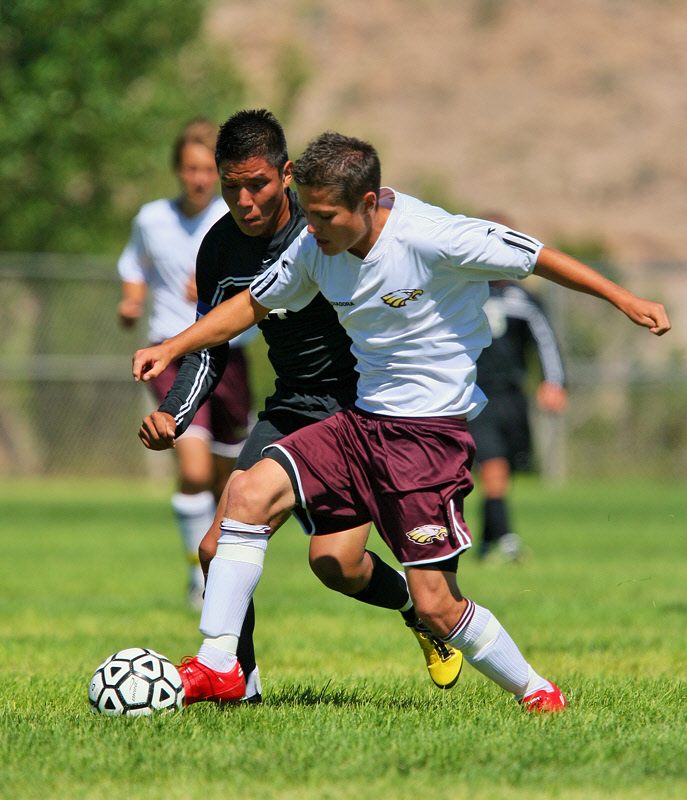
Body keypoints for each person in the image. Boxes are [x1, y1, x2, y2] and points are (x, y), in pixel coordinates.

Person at [132, 131, 670, 713]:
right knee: (247, 490)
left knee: (437, 605)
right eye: (308, 215)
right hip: (358, 423)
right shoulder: (314, 245)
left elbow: (536, 256)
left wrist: (625, 299)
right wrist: (172, 346)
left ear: (367, 204)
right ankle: (220, 668)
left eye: (325, 217)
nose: (311, 230)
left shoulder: (433, 235)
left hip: (426, 439)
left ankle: (537, 690)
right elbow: (250, 306)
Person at [137, 110, 463, 704]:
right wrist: (176, 415)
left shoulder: (323, 231)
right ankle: (242, 689)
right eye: (230, 185)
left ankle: (422, 612)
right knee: (215, 548)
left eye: (256, 183)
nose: (243, 199)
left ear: (286, 175)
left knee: (336, 565)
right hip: (292, 407)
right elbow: (212, 341)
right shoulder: (220, 249)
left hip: (359, 408)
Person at [118, 118, 254, 610]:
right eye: (190, 169)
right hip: (171, 353)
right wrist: (131, 302)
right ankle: (198, 576)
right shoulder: (152, 218)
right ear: (177, 170)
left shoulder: (235, 217)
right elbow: (133, 266)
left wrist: (221, 292)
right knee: (194, 470)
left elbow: (263, 283)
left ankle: (215, 566)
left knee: (226, 477)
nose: (199, 179)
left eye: (206, 170)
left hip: (230, 354)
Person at [470, 213, 568, 561]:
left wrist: (554, 383)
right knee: (492, 465)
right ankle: (508, 539)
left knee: (501, 470)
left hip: (512, 394)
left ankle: (484, 543)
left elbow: (545, 342)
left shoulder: (522, 298)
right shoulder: (458, 290)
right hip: (472, 394)